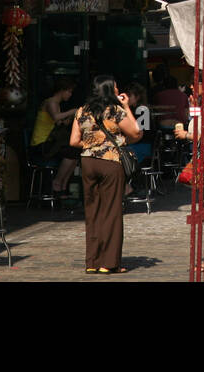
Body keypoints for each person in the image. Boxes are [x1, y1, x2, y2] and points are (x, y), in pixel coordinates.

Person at [70, 75, 143, 274]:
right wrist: (127, 107)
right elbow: (136, 133)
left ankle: (92, 261)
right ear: (110, 91)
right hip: (110, 162)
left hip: (88, 163)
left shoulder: (82, 111)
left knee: (92, 211)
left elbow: (74, 141)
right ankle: (109, 263)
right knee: (111, 212)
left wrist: (92, 145)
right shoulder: (116, 111)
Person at [29, 77, 79, 195]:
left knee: (76, 152)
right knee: (71, 152)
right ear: (62, 90)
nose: (70, 95)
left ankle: (63, 184)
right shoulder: (50, 102)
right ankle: (57, 182)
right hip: (41, 144)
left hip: (50, 142)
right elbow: (56, 117)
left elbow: (60, 123)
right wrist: (72, 111)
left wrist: (71, 117)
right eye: (69, 91)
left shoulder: (57, 104)